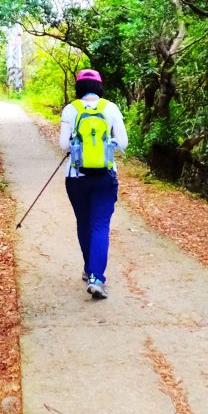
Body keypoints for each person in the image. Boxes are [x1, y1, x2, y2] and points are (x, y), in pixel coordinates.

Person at [58, 68, 128, 299]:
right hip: (105, 177)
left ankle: (89, 270)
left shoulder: (71, 109)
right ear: (99, 87)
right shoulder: (111, 108)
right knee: (100, 225)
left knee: (83, 221)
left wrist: (79, 144)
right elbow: (124, 142)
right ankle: (97, 277)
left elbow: (63, 145)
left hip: (76, 177)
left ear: (79, 87)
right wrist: (106, 144)